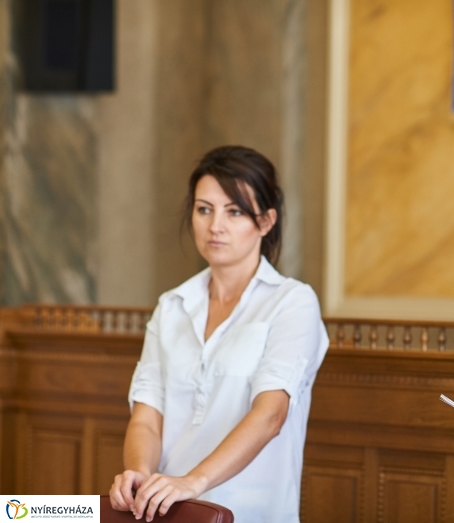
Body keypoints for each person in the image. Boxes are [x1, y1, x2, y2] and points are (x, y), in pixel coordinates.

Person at [109, 145, 328, 522]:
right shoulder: (172, 305)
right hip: (170, 511)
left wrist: (193, 482)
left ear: (266, 221)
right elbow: (147, 416)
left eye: (235, 211)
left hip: (248, 512)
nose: (215, 226)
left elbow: (270, 416)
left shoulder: (292, 302)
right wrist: (140, 476)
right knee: (25, 515)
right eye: (204, 209)